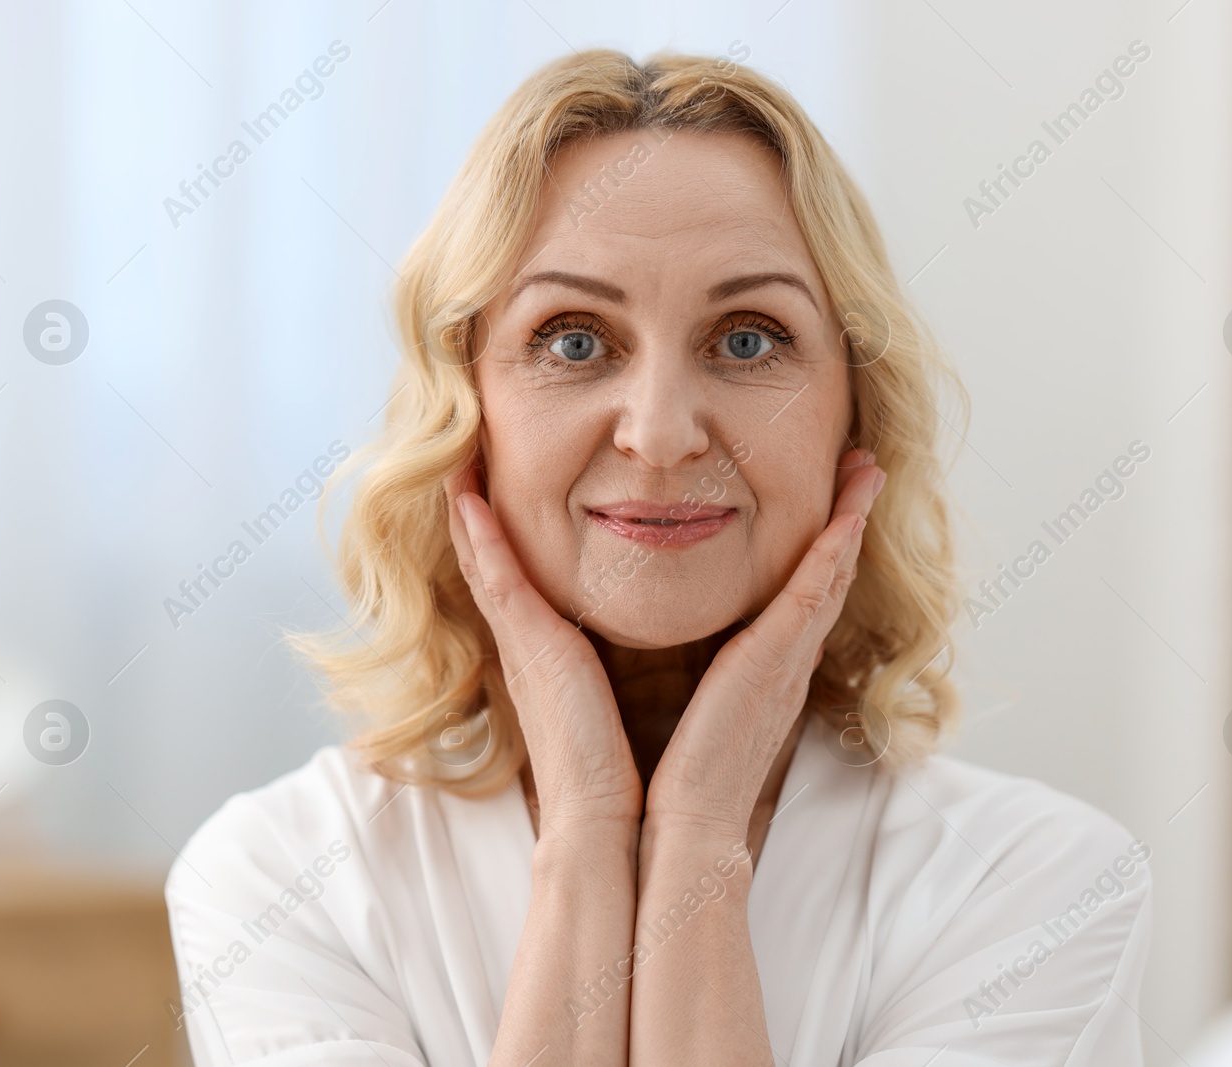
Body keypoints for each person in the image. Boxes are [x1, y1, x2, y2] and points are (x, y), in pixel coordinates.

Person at [164, 48, 1153, 1066]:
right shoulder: (280, 875)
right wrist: (590, 835)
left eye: (747, 339)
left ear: (853, 417)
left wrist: (696, 842)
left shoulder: (1039, 884)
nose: (662, 432)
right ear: (468, 415)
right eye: (575, 339)